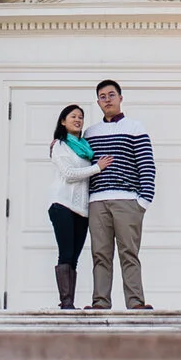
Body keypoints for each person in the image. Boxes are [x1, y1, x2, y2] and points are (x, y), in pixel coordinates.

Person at [83, 79, 156, 310]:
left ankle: (135, 302)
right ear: (98, 102)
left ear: (120, 98)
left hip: (127, 200)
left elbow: (146, 164)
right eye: (102, 96)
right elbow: (79, 160)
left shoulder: (135, 127)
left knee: (129, 253)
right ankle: (100, 303)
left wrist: (143, 201)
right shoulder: (90, 132)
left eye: (111, 95)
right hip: (97, 201)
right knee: (100, 255)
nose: (107, 100)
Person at [44, 105, 113, 311]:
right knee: (65, 253)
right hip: (62, 204)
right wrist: (97, 168)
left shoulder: (85, 147)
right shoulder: (60, 145)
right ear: (63, 122)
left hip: (82, 210)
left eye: (81, 117)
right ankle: (66, 303)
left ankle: (68, 302)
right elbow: (68, 173)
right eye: (73, 116)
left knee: (74, 256)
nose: (78, 120)